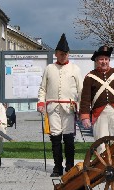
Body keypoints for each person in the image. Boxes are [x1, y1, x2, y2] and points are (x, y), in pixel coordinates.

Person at [37, 33, 83, 177]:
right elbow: (43, 88)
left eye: (65, 54)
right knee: (55, 138)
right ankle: (57, 167)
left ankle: (69, 166)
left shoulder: (75, 69)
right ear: (56, 54)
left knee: (69, 139)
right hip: (52, 108)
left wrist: (81, 107)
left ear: (68, 54)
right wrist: (40, 102)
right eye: (61, 53)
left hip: (69, 108)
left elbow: (81, 89)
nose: (63, 56)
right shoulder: (49, 68)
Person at [80, 45, 114, 146]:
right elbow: (85, 98)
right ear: (96, 61)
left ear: (109, 60)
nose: (104, 61)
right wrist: (85, 116)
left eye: (106, 59)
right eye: (101, 59)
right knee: (101, 144)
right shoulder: (90, 77)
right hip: (99, 114)